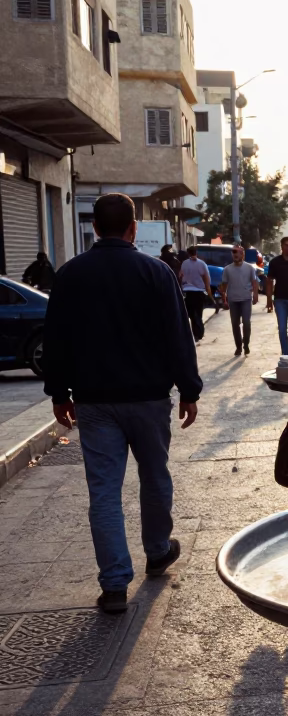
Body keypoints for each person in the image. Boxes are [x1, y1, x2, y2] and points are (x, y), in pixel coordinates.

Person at [41, 193, 201, 615]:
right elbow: (177, 335)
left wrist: (59, 393)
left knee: (105, 492)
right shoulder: (157, 273)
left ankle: (114, 585)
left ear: (94, 228)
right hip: (149, 398)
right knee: (154, 475)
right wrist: (189, 388)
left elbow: (55, 340)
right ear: (133, 228)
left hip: (95, 402)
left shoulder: (71, 275)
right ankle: (158, 550)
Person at [220, 244, 262, 356]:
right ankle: (238, 346)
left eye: (237, 252)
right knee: (235, 324)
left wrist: (255, 295)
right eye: (233, 253)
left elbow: (254, 282)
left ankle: (246, 344)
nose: (235, 255)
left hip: (246, 299)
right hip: (233, 300)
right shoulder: (227, 269)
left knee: (246, 323)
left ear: (242, 254)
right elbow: (224, 286)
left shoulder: (249, 268)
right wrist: (223, 300)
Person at [178, 246, 212, 344]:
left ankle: (193, 333)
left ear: (188, 253)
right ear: (196, 253)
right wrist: (209, 292)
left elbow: (180, 276)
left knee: (190, 314)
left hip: (187, 292)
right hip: (199, 292)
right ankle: (199, 333)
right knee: (198, 313)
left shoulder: (184, 264)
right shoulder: (202, 264)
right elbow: (206, 278)